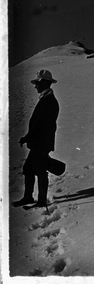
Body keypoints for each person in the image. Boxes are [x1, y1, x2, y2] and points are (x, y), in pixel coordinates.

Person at [13, 70, 60, 208]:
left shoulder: (49, 101)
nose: (35, 86)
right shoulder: (46, 99)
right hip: (39, 142)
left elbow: (41, 125)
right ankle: (29, 197)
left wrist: (28, 137)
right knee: (28, 168)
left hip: (41, 143)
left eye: (37, 83)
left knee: (40, 170)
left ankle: (41, 201)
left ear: (44, 83)